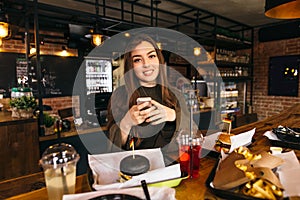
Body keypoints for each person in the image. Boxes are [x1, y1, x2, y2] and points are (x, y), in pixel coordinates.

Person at [106, 34, 197, 165]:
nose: (146, 64)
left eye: (151, 56)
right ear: (131, 66)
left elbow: (193, 134)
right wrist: (126, 123)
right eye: (138, 60)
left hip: (173, 169)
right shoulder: (119, 96)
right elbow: (110, 151)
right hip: (136, 172)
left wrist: (173, 115)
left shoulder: (175, 94)